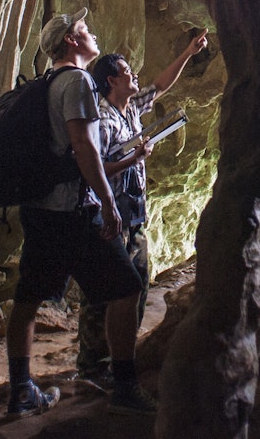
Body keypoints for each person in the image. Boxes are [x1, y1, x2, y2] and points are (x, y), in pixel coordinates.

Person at [4, 8, 157, 419]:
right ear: (70, 41)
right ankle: (124, 385)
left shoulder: (45, 83)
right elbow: (85, 148)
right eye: (84, 30)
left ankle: (20, 390)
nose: (92, 35)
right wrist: (108, 204)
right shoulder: (77, 82)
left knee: (27, 300)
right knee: (126, 286)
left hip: (38, 211)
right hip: (72, 212)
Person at [75, 29, 209, 381]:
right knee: (103, 291)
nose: (133, 75)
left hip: (133, 214)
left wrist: (188, 52)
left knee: (137, 283)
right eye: (126, 72)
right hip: (109, 213)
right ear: (110, 81)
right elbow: (94, 167)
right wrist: (133, 158)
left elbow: (161, 86)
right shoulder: (102, 119)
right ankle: (91, 364)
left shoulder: (130, 108)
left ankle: (120, 354)